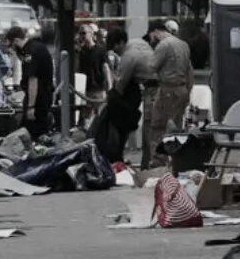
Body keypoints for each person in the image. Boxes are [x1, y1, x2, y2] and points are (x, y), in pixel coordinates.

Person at [95, 25, 155, 165]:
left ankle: (147, 163)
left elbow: (119, 87)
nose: (115, 51)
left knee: (149, 129)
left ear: (121, 42)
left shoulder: (128, 57)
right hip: (149, 88)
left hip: (151, 89)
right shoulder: (137, 42)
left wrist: (109, 98)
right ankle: (146, 163)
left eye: (115, 47)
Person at [146, 20, 193, 167]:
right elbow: (189, 71)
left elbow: (150, 68)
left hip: (168, 90)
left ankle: (158, 162)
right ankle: (177, 161)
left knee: (158, 126)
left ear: (155, 32)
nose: (151, 39)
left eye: (151, 36)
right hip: (182, 90)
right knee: (176, 128)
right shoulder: (183, 44)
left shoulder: (163, 45)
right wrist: (187, 92)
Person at [6, 26, 53, 138]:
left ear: (16, 41)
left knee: (29, 133)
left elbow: (33, 81)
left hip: (38, 99)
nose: (11, 49)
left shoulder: (29, 53)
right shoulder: (36, 46)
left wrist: (31, 107)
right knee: (35, 131)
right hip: (43, 95)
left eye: (11, 45)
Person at [76, 23, 112, 127]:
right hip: (85, 90)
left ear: (91, 34)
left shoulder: (100, 50)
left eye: (84, 33)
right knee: (86, 117)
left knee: (100, 115)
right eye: (80, 34)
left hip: (98, 89)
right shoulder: (81, 52)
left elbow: (106, 68)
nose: (82, 36)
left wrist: (109, 85)